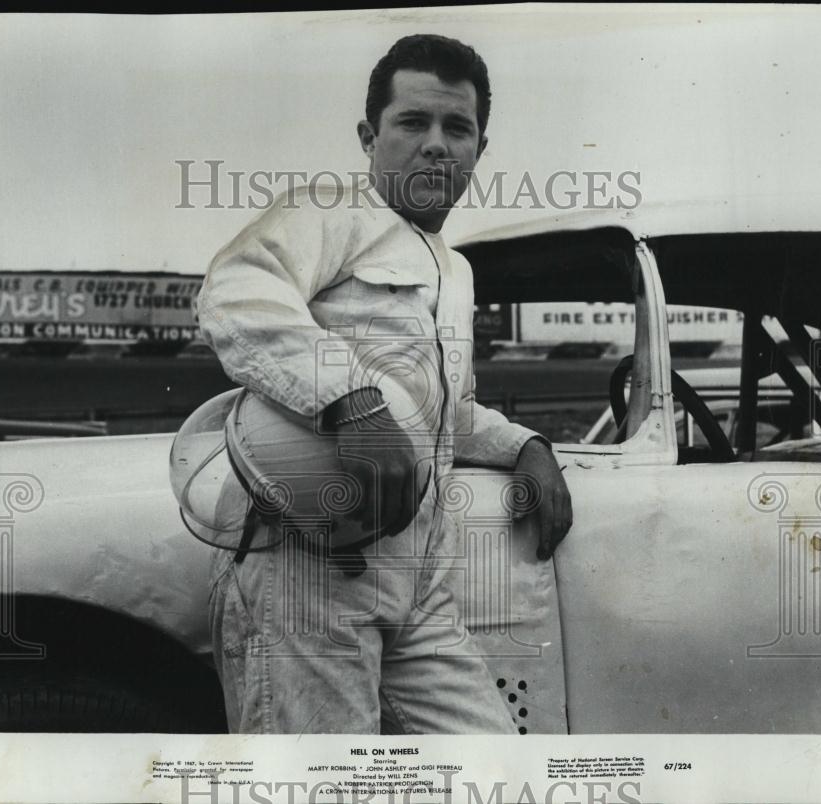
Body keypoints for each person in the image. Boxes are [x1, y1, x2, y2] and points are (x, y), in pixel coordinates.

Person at [195, 33, 572, 734]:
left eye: (457, 128)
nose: (437, 145)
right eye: (413, 123)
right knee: (322, 784)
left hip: (417, 580)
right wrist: (350, 400)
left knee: (489, 762)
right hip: (306, 563)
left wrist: (526, 443)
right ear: (369, 136)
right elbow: (237, 292)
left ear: (480, 150)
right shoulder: (329, 210)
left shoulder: (453, 270)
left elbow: (438, 413)